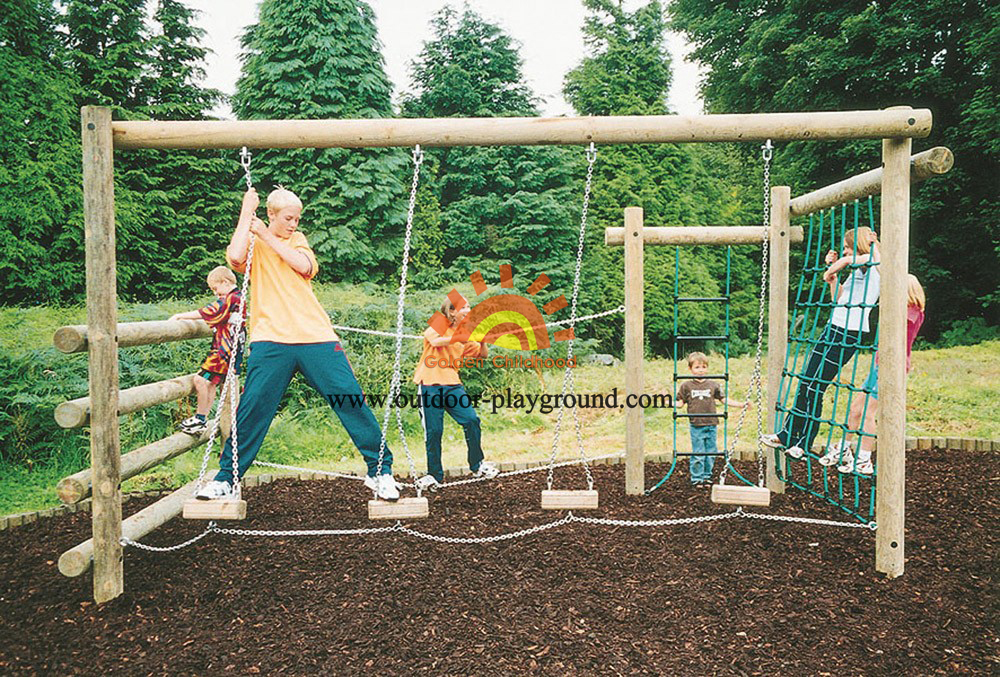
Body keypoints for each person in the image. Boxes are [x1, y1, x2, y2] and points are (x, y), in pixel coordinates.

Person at [195, 187, 401, 502]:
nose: (293, 223)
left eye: (297, 218)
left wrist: (267, 235)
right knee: (253, 408)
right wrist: (246, 212)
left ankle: (380, 471)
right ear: (271, 215)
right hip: (270, 338)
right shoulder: (253, 243)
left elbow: (303, 266)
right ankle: (227, 478)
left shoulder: (297, 241)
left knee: (349, 399)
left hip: (315, 336)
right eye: (288, 218)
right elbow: (235, 257)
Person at [762, 226, 881, 458]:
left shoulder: (872, 263)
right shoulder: (857, 268)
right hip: (833, 327)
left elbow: (864, 258)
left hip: (848, 334)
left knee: (816, 385)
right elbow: (839, 299)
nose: (844, 251)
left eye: (847, 247)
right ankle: (788, 434)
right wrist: (832, 278)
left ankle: (804, 443)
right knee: (806, 379)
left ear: (859, 245)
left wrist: (835, 266)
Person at [821, 274, 925, 475]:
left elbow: (900, 319)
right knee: (855, 409)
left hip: (892, 368)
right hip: (879, 365)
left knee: (868, 413)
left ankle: (864, 459)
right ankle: (845, 447)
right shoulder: (902, 310)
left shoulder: (912, 312)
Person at [412, 296, 498, 491]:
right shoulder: (439, 321)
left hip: (452, 384)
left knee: (471, 420)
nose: (468, 310)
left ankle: (477, 465)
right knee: (434, 431)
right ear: (451, 312)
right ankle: (434, 475)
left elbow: (482, 354)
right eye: (463, 307)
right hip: (429, 384)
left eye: (469, 307)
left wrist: (483, 340)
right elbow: (436, 341)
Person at [170, 266, 243, 436]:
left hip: (223, 352)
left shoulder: (232, 299)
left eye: (216, 289)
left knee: (200, 380)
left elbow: (210, 311)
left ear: (225, 282)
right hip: (230, 351)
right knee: (210, 382)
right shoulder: (239, 298)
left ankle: (200, 420)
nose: (216, 294)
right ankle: (201, 418)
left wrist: (180, 315)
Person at [676, 352, 748, 486]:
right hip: (696, 424)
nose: (701, 370)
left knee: (711, 452)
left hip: (712, 424)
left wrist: (740, 404)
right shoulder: (686, 386)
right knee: (698, 452)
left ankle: (706, 476)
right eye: (697, 367)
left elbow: (723, 400)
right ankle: (697, 478)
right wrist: (664, 401)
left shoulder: (713, 384)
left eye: (704, 367)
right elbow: (679, 403)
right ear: (690, 369)